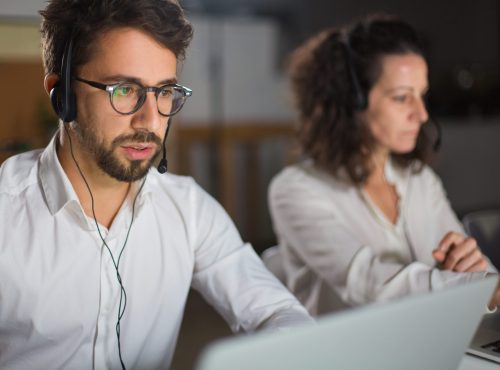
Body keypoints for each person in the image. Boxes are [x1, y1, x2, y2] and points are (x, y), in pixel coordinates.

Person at [0, 1, 314, 369]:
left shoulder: (188, 208)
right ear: (62, 95)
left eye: (164, 92)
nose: (150, 120)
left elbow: (276, 313)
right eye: (124, 90)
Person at [268, 14, 500, 316]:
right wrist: (470, 286)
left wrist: (473, 270)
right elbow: (366, 283)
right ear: (353, 101)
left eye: (422, 95)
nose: (421, 114)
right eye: (402, 97)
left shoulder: (419, 180)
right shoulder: (295, 190)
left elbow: (483, 279)